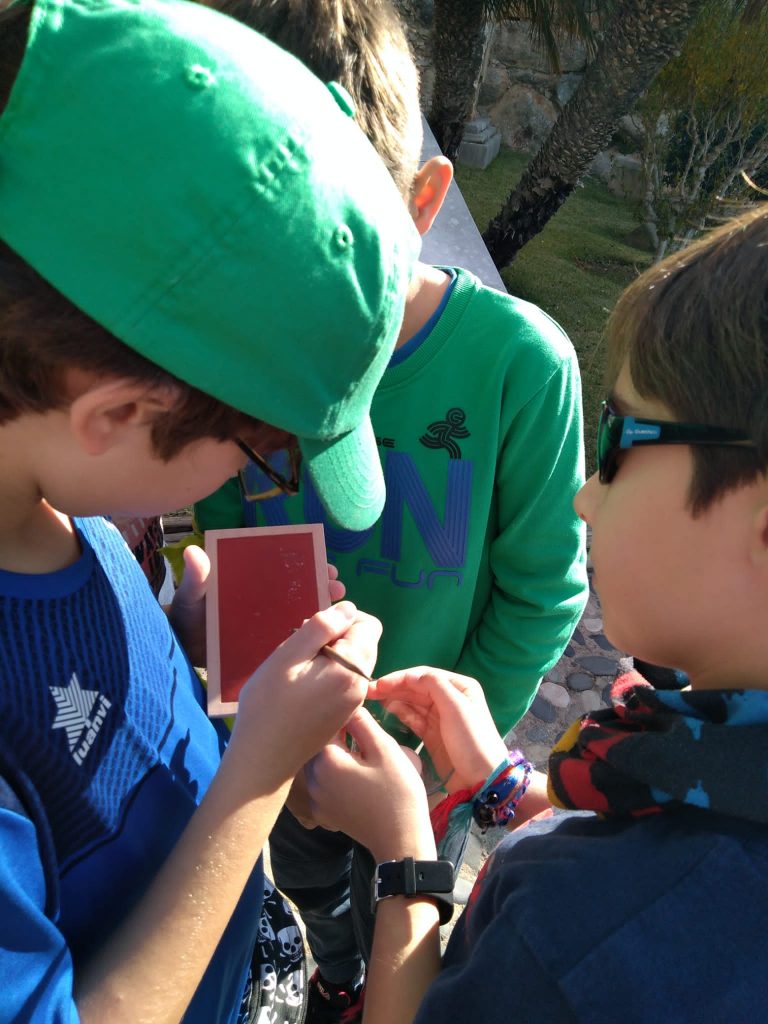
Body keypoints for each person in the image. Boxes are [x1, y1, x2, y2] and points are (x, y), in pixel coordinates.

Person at [0, 0, 420, 1020]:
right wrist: (259, 774)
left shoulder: (69, 503)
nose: (271, 476)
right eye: (264, 450)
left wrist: (172, 648)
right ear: (118, 413)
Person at [193, 3, 588, 1016]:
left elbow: (543, 592)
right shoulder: (235, 352)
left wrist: (436, 756)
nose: (295, 308)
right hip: (286, 739)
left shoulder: (521, 364)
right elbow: (224, 530)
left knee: (404, 897)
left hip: (424, 764)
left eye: (328, 258)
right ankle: (339, 980)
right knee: (315, 895)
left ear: (423, 201)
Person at [304, 205, 768, 1023]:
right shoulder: (694, 772)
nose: (585, 497)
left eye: (620, 442)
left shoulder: (568, 932)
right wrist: (503, 788)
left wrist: (407, 861)